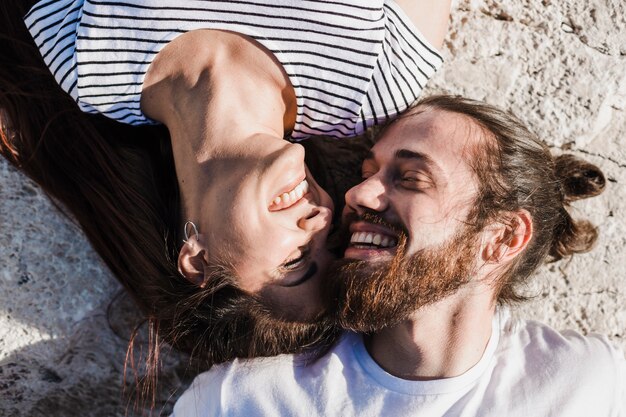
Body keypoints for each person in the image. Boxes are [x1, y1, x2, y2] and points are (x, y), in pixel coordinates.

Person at [0, 0, 450, 404]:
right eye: (334, 235)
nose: (321, 216)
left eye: (296, 260)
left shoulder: (83, 53)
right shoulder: (374, 80)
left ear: (199, 260)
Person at [171, 95, 625, 417]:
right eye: (368, 172)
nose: (358, 194)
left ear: (502, 238)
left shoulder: (592, 384)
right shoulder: (239, 403)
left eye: (410, 178)